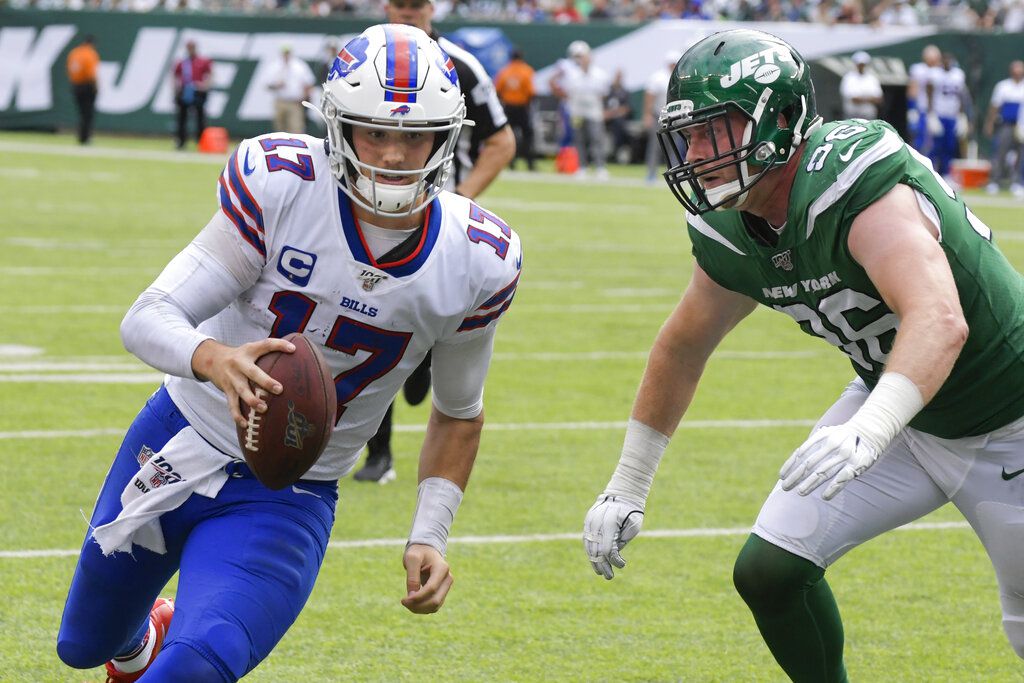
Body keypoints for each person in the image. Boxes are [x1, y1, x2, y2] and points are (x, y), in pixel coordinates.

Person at [56, 24, 522, 682]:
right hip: (179, 436)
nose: (393, 154)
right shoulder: (281, 186)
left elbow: (458, 411)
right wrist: (215, 358)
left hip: (290, 490)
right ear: (337, 128)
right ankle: (139, 637)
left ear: (445, 138)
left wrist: (429, 533)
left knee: (197, 666)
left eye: (414, 134)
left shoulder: (476, 257)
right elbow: (147, 316)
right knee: (82, 643)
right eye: (375, 131)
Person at [583, 29, 1024, 681]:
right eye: (691, 136)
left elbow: (940, 319)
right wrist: (628, 482)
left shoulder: (850, 179)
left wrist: (869, 430)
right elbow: (683, 344)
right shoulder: (729, 225)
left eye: (717, 131)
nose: (697, 154)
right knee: (770, 569)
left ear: (783, 120)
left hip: (1006, 417)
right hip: (904, 408)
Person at [352, 0, 517, 484]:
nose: (407, 14)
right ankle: (377, 454)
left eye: (415, 5)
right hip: (367, 212)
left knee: (414, 335)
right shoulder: (362, 59)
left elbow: (501, 140)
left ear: (431, 8)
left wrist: (461, 199)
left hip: (433, 226)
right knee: (368, 326)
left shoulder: (460, 65)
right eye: (399, 5)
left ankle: (423, 358)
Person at [550, 40, 611, 180]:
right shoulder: (571, 74)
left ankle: (600, 167)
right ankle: (582, 167)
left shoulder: (599, 74)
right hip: (576, 111)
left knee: (596, 138)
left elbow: (603, 94)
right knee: (579, 139)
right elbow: (564, 90)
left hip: (594, 111)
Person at [929, 51, 973, 179]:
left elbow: (961, 96)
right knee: (936, 146)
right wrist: (930, 114)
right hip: (939, 114)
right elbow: (929, 93)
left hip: (952, 115)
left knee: (950, 146)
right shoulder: (935, 74)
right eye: (945, 60)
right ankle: (931, 172)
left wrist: (961, 115)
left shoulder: (958, 74)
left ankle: (946, 174)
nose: (947, 62)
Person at [984, 60, 1024, 197]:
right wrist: (989, 123)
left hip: (1021, 126)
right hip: (1006, 125)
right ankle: (995, 181)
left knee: (1021, 155)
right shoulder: (1003, 86)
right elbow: (995, 106)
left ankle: (1017, 183)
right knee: (1000, 153)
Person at [494, 47, 536, 171]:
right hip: (522, 107)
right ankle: (529, 162)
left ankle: (511, 161)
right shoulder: (527, 71)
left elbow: (498, 90)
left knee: (508, 135)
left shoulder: (504, 71)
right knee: (527, 135)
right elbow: (531, 92)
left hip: (508, 107)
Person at [643, 51, 677, 184]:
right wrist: (647, 115)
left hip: (675, 116)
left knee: (674, 146)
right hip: (659, 115)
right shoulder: (658, 77)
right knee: (656, 145)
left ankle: (674, 173)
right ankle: (651, 173)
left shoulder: (678, 77)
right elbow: (649, 97)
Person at [172, 40, 213, 151]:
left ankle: (201, 142)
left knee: (200, 118)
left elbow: (210, 75)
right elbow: (175, 77)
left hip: (198, 91)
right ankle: (181, 142)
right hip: (185, 91)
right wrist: (176, 91)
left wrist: (204, 86)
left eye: (192, 47)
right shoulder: (182, 62)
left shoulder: (203, 61)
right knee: (182, 118)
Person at [267, 44, 315, 134]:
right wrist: (276, 85)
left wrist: (304, 99)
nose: (286, 55)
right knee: (279, 130)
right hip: (280, 101)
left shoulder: (300, 66)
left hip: (295, 102)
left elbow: (309, 83)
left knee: (296, 129)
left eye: (288, 53)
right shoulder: (275, 66)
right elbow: (267, 85)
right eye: (284, 53)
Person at [906, 44, 941, 152]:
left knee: (938, 143)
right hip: (922, 109)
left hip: (939, 111)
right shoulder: (918, 69)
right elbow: (912, 89)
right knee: (919, 140)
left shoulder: (941, 71)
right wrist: (912, 108)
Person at [66, 35, 99, 145]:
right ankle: (85, 137)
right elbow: (91, 74)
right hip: (87, 86)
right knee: (88, 114)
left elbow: (70, 69)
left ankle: (81, 136)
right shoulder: (90, 54)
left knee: (81, 113)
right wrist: (95, 87)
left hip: (76, 85)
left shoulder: (74, 52)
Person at [839, 50, 883, 120]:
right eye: (860, 64)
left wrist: (861, 99)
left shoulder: (872, 78)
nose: (862, 66)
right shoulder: (848, 78)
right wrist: (869, 99)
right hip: (852, 117)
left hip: (869, 117)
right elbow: (853, 99)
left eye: (863, 64)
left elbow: (878, 99)